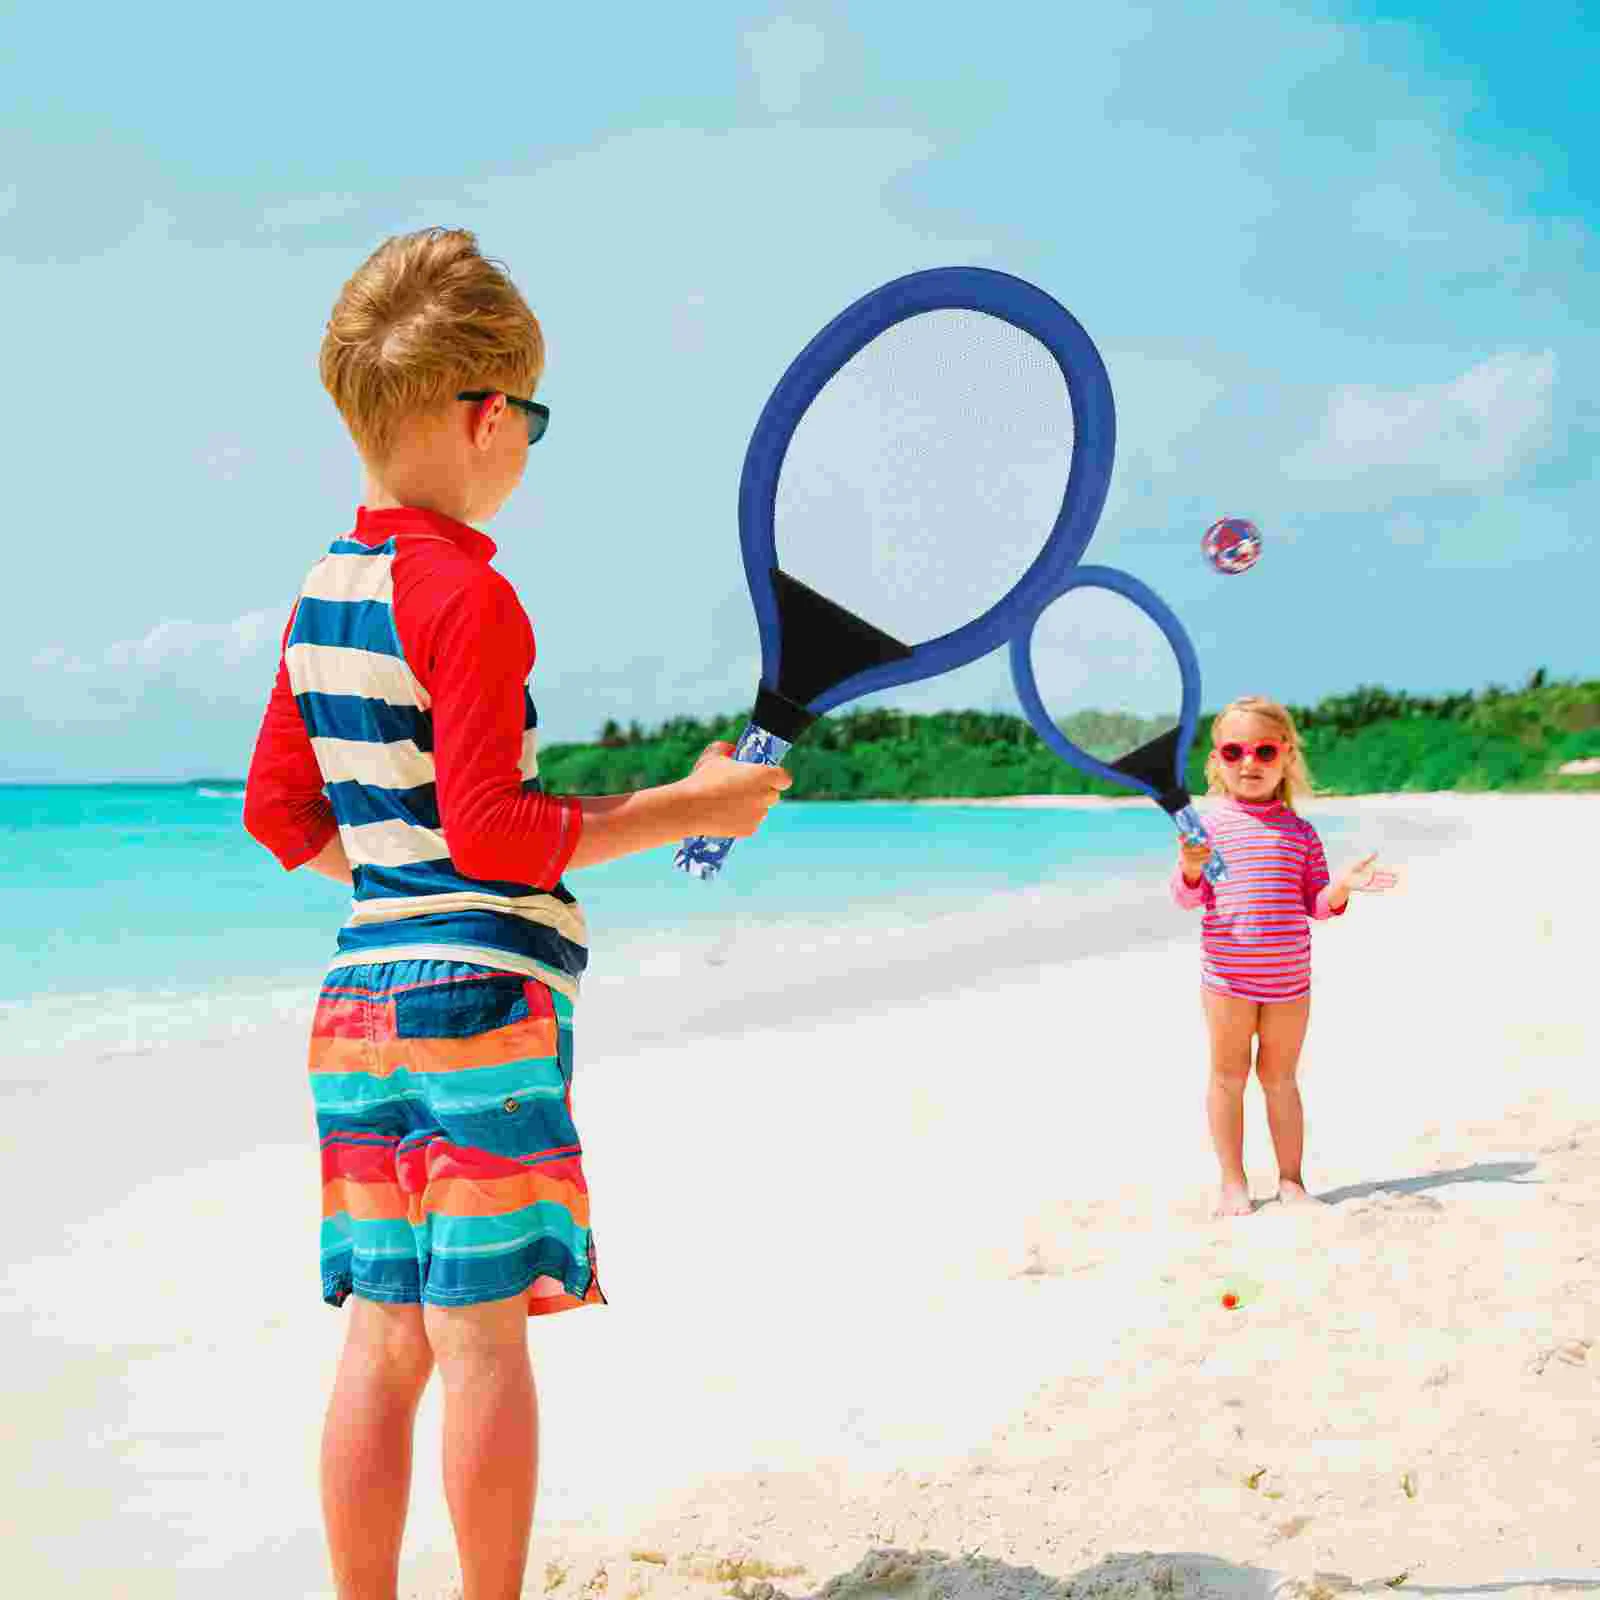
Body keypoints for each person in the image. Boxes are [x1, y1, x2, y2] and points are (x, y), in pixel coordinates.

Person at [242, 226, 790, 1600]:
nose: (529, 446)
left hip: (357, 1007)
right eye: (532, 420)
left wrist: (401, 895)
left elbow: (280, 817)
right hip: (481, 1007)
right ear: (489, 417)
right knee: (482, 1338)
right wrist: (691, 805)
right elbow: (494, 830)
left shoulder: (325, 594)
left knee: (383, 1336)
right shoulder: (469, 595)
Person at [1172, 695, 1392, 1221]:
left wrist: (1341, 886)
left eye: (1264, 752)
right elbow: (1187, 898)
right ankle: (1233, 1183)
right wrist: (1188, 864)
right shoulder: (1206, 827)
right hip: (1226, 978)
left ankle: (1291, 1181)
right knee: (1228, 1076)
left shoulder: (1300, 833)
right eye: (1234, 751)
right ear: (1217, 760)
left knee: (1281, 1079)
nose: (1249, 763)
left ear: (1286, 757)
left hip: (1290, 981)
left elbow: (1316, 904)